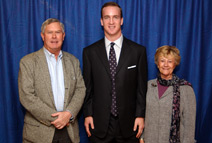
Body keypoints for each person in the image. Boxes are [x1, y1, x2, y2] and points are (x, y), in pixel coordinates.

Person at [83, 2, 148, 143]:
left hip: (130, 125)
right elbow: (88, 88)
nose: (111, 22)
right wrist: (88, 114)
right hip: (98, 126)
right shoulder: (90, 52)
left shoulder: (138, 51)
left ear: (122, 20)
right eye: (107, 17)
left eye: (115, 17)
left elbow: (141, 89)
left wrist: (140, 115)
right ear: (101, 21)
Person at [18, 18, 86, 143]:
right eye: (50, 32)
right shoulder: (28, 62)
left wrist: (68, 114)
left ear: (63, 36)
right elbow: (27, 96)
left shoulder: (73, 61)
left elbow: (80, 90)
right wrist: (57, 118)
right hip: (39, 133)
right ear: (43, 36)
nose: (54, 36)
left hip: (69, 131)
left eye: (58, 32)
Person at [140, 45, 196, 143]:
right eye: (162, 61)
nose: (166, 64)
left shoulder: (185, 89)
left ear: (175, 64)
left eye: (170, 61)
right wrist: (141, 137)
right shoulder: (148, 86)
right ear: (157, 64)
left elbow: (189, 125)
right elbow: (142, 115)